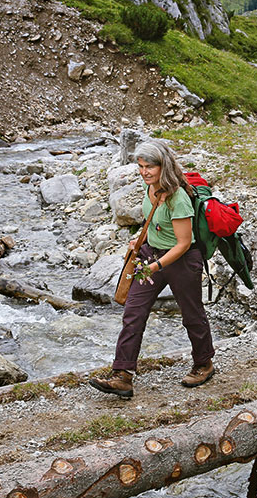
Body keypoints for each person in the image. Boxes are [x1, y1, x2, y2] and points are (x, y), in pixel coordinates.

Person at [90, 141, 215, 399]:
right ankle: (122, 375)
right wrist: (140, 240)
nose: (144, 172)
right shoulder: (150, 189)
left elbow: (182, 243)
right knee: (133, 313)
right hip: (151, 255)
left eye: (150, 167)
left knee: (192, 314)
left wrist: (155, 266)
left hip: (181, 261)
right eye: (140, 166)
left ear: (163, 166)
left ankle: (204, 363)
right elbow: (155, 223)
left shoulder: (178, 198)